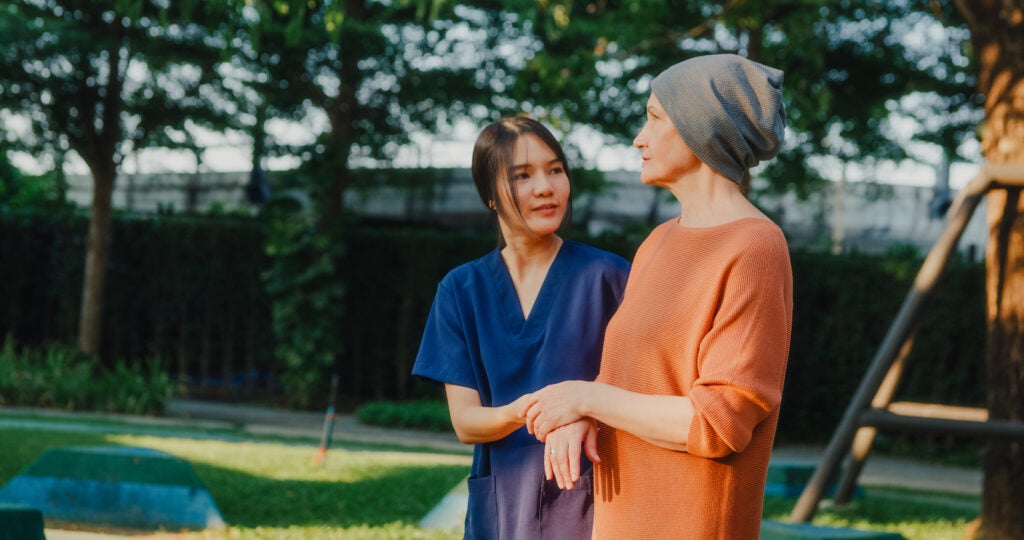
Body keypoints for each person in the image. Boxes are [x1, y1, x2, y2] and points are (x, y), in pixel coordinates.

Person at [521, 54, 794, 539]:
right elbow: (626, 378)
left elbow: (718, 424)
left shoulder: (755, 246)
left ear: (701, 128)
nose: (638, 138)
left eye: (654, 117)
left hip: (690, 521)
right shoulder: (658, 242)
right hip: (621, 516)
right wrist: (582, 415)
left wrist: (586, 397)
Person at [411, 116, 630, 539]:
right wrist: (531, 410)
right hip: (501, 510)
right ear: (490, 196)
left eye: (555, 169)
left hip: (591, 503)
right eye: (522, 176)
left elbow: (641, 390)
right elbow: (466, 423)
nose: (546, 187)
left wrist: (584, 410)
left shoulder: (610, 277)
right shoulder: (461, 290)